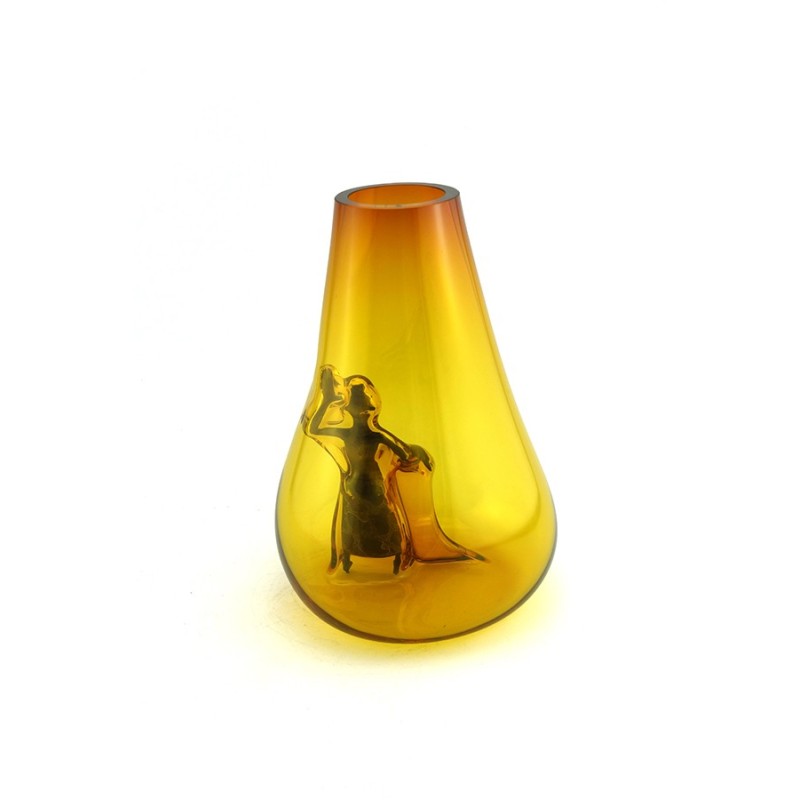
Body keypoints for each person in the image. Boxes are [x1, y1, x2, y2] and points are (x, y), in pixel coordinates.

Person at [303, 365, 483, 574]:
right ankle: (387, 560)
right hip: (367, 490)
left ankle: (372, 560)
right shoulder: (373, 436)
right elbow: (407, 455)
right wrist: (328, 400)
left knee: (366, 527)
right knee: (369, 528)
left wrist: (328, 400)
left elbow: (314, 428)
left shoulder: (362, 435)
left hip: (361, 489)